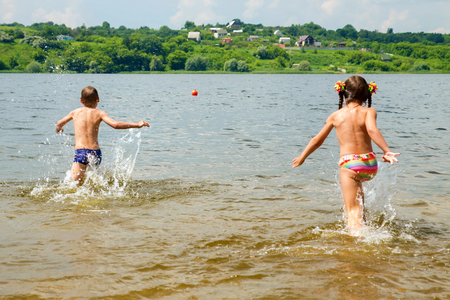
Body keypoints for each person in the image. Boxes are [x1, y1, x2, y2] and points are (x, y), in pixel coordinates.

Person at [292, 76, 400, 235]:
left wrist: (302, 157)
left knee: (352, 210)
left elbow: (317, 140)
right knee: (359, 204)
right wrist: (386, 151)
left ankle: (357, 244)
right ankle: (365, 230)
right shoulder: (369, 111)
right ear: (367, 95)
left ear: (343, 94)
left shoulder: (335, 116)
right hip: (370, 163)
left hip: (350, 165)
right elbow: (372, 130)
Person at [55, 86, 149, 185]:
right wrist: (137, 125)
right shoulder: (100, 113)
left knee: (73, 185)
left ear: (81, 100)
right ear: (98, 99)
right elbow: (116, 125)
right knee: (93, 182)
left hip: (81, 152)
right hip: (96, 153)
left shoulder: (75, 112)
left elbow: (58, 124)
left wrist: (59, 129)